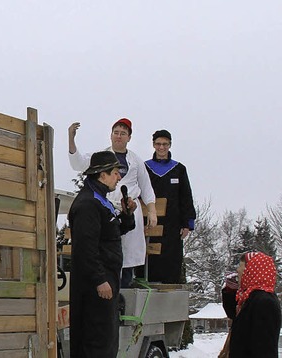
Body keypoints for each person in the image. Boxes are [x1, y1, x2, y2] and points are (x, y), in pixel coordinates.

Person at [68, 119, 157, 288]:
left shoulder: (136, 161)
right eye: (116, 132)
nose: (119, 136)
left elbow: (146, 188)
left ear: (129, 138)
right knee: (107, 251)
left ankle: (124, 288)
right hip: (106, 208)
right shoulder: (100, 157)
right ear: (110, 135)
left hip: (129, 210)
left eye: (123, 133)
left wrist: (152, 211)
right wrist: (71, 140)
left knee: (127, 254)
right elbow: (78, 163)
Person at [69, 151, 137, 358]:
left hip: (108, 280)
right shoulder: (87, 204)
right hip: (94, 286)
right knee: (95, 339)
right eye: (115, 173)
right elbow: (85, 247)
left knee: (107, 339)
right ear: (102, 175)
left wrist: (127, 215)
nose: (118, 178)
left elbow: (111, 234)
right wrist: (99, 280)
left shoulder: (101, 201)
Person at [138, 130, 196, 283]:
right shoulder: (144, 168)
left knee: (170, 258)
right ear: (153, 145)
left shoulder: (179, 169)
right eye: (158, 144)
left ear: (170, 145)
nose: (161, 147)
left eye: (165, 144)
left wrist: (188, 223)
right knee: (148, 256)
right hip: (149, 222)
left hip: (172, 224)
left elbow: (186, 196)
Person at [219, 251, 281, 358]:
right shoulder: (250, 297)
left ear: (252, 270)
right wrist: (230, 291)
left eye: (241, 266)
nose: (238, 270)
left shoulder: (264, 302)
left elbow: (264, 348)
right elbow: (236, 318)